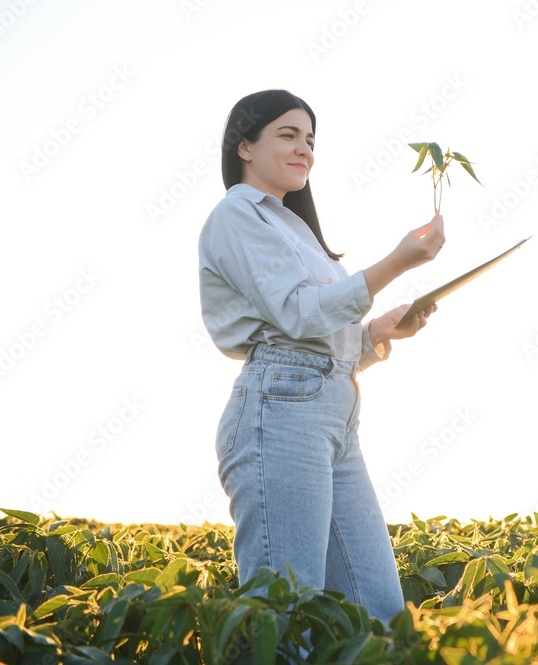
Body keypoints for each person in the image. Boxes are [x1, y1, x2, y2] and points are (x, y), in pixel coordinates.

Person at [198, 89, 444, 625]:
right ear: (244, 145)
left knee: (378, 611)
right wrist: (397, 262)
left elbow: (320, 338)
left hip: (333, 416)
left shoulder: (298, 230)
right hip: (280, 414)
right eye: (287, 135)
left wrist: (377, 334)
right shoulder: (237, 215)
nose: (304, 148)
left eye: (310, 140)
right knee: (285, 616)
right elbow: (300, 317)